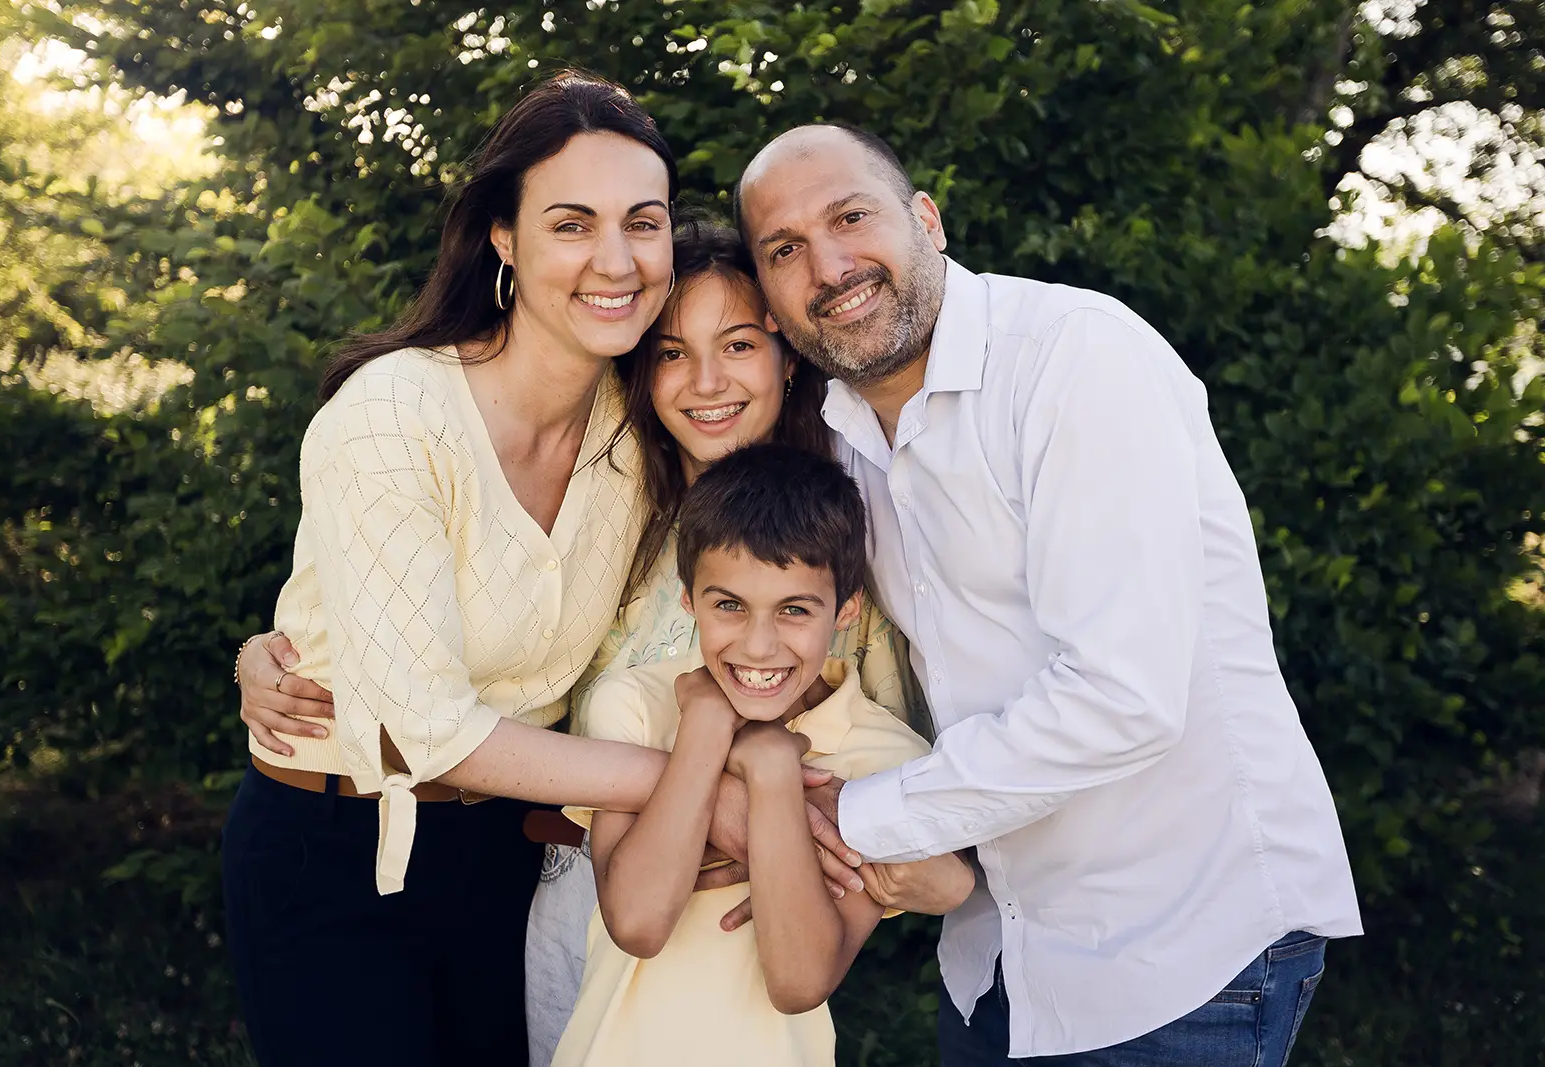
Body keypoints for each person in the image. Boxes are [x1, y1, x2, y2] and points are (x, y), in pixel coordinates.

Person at [219, 74, 848, 1067]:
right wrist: (701, 789)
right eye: (571, 223)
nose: (615, 259)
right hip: (336, 847)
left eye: (641, 223)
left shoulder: (641, 423)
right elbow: (423, 726)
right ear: (503, 238)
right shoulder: (393, 413)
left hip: (507, 855)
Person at [725, 123, 1365, 1065]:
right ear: (773, 305)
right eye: (785, 250)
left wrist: (851, 818)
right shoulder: (838, 436)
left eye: (850, 217)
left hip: (1178, 948)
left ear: (927, 222)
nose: (828, 266)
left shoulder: (1075, 358)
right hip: (998, 951)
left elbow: (1123, 696)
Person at [550, 443, 974, 1067]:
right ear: (690, 599)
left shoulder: (891, 760)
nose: (757, 645)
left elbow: (800, 981)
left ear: (846, 609)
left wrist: (773, 767)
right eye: (729, 606)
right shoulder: (635, 706)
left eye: (794, 610)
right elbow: (637, 922)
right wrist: (705, 727)